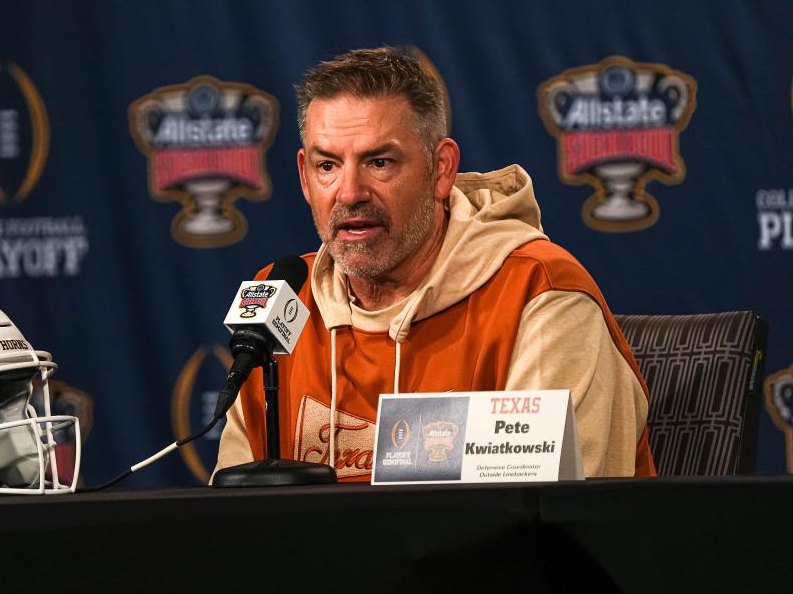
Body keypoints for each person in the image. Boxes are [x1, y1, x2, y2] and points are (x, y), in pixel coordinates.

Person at [214, 46, 655, 480]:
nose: (349, 193)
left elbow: (554, 525)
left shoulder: (538, 291)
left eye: (379, 162)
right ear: (304, 177)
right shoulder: (280, 302)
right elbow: (233, 521)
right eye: (327, 165)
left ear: (441, 168)